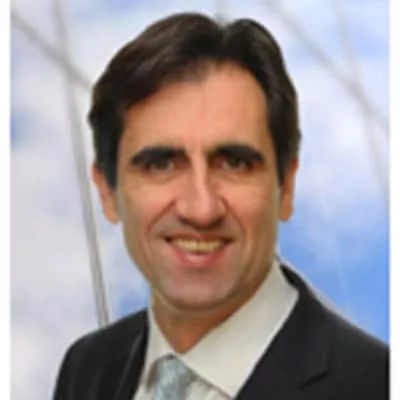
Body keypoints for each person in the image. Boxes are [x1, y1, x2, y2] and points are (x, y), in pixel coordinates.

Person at [53, 12, 388, 400]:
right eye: (161, 164)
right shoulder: (87, 368)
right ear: (107, 192)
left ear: (286, 187)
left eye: (235, 163)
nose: (201, 209)